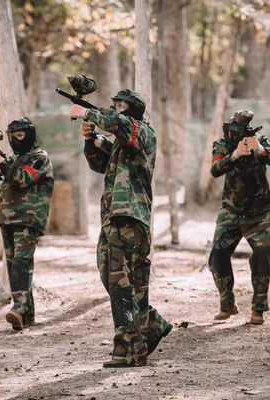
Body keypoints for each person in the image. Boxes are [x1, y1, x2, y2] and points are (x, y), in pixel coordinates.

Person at [69, 89, 172, 368]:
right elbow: (98, 164)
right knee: (116, 277)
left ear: (135, 109)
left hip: (130, 215)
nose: (116, 109)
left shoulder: (141, 131)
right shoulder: (121, 143)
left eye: (121, 105)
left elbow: (117, 123)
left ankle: (127, 347)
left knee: (121, 283)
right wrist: (90, 138)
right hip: (115, 216)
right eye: (113, 105)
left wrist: (86, 112)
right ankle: (149, 326)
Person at [208, 110, 270, 325]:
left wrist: (258, 149)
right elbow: (215, 170)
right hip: (230, 211)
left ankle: (258, 310)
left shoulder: (260, 141)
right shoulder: (221, 145)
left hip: (260, 213)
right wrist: (235, 155)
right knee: (217, 256)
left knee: (261, 255)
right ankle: (227, 304)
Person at [0, 118, 54, 331]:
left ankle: (19, 306)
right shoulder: (12, 159)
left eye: (20, 135)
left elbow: (23, 178)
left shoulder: (39, 158)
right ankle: (27, 315)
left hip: (28, 218)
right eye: (12, 136)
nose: (15, 140)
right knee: (13, 264)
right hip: (7, 218)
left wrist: (4, 163)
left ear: (30, 134)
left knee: (21, 264)